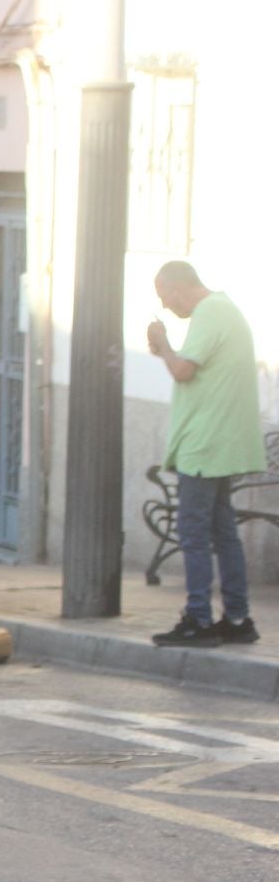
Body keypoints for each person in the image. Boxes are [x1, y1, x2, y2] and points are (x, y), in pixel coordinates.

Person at [146, 260, 266, 647]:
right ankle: (236, 618)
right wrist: (167, 349)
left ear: (179, 287)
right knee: (223, 532)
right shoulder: (224, 310)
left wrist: (163, 343)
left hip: (205, 444)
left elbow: (182, 370)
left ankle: (198, 618)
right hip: (218, 441)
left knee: (194, 532)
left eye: (165, 296)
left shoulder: (210, 312)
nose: (165, 306)